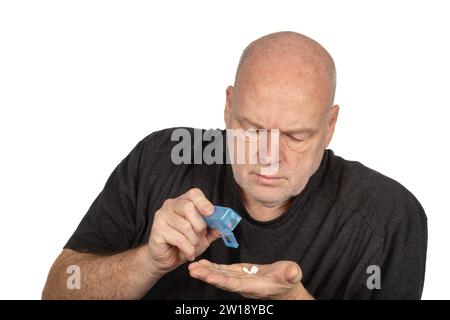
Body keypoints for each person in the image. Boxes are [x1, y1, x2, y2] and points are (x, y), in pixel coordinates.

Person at [42, 31, 427, 299]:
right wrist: (149, 262)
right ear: (228, 107)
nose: (268, 157)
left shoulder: (389, 217)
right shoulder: (163, 158)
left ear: (329, 127)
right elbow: (59, 291)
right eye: (253, 129)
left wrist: (293, 298)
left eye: (295, 136)